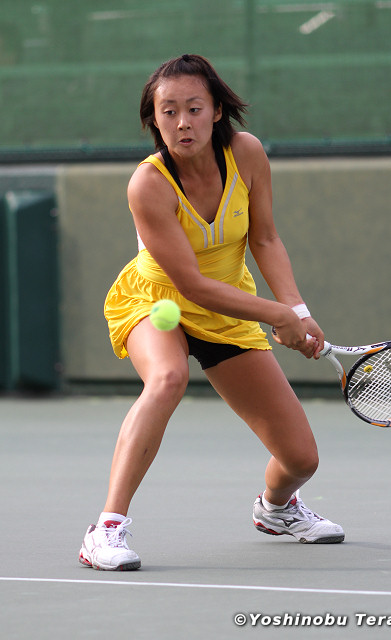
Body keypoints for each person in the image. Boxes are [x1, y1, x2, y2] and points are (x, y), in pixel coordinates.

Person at [79, 54, 344, 572]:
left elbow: (265, 239)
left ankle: (276, 509)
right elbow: (192, 285)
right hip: (156, 301)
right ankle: (106, 528)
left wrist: (296, 308)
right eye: (169, 111)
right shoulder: (148, 184)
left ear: (217, 110)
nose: (183, 122)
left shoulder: (247, 154)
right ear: (155, 121)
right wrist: (276, 314)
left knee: (300, 459)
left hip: (230, 305)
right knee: (168, 378)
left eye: (194, 108)